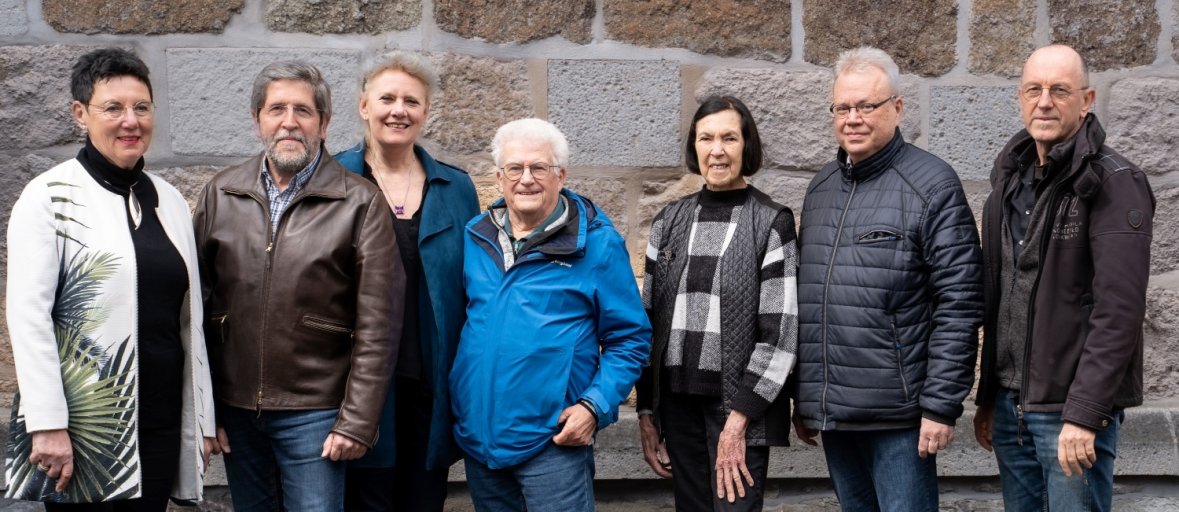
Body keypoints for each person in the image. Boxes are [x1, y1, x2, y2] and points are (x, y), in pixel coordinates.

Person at [4, 48, 216, 510]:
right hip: (86, 426)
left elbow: (189, 321)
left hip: (160, 421)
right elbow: (28, 317)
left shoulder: (170, 201)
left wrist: (201, 417)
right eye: (113, 108)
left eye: (141, 107)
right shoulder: (49, 197)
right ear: (80, 113)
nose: (130, 121)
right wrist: (47, 422)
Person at [193, 60, 402, 511]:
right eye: (277, 109)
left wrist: (357, 421)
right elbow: (197, 309)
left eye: (303, 111)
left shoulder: (360, 202)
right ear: (257, 120)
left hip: (317, 413)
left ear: (323, 124)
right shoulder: (221, 193)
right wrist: (206, 410)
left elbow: (379, 326)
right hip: (237, 410)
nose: (289, 122)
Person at [793, 46, 983, 512]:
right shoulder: (821, 189)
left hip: (901, 417)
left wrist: (940, 405)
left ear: (897, 108)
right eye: (843, 108)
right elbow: (810, 301)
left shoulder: (933, 184)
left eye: (866, 106)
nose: (853, 119)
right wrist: (806, 397)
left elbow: (960, 303)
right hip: (835, 416)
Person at [973, 45, 1154, 512]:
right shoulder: (1007, 186)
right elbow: (1001, 299)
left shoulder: (1113, 182)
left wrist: (1085, 414)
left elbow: (1119, 312)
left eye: (1060, 90)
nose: (1045, 102)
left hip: (1070, 416)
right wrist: (989, 397)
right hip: (1012, 410)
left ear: (1086, 100)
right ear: (1020, 98)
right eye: (1034, 90)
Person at [449, 118, 650, 512]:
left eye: (539, 167)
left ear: (561, 176)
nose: (526, 179)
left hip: (554, 442)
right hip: (480, 441)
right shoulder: (476, 236)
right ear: (499, 178)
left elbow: (631, 339)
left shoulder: (597, 245)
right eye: (515, 168)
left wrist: (594, 406)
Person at [635, 95, 798, 511]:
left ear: (747, 146)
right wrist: (646, 411)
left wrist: (739, 419)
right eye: (706, 138)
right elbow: (646, 324)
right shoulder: (668, 221)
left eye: (729, 138)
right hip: (678, 407)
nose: (717, 150)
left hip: (738, 409)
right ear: (695, 147)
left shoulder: (772, 222)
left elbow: (780, 336)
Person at [334, 52, 479, 511]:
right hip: (352, 387)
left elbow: (473, 286)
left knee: (423, 501)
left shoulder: (456, 188)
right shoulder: (332, 178)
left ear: (425, 112)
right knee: (363, 501)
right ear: (364, 106)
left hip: (429, 388)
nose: (399, 110)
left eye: (411, 101)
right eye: (387, 99)